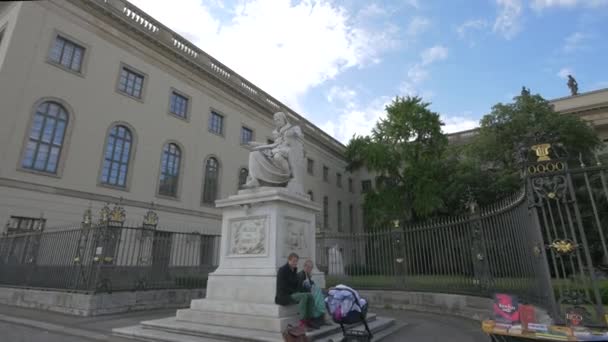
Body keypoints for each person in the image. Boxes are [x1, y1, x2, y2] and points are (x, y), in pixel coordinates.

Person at [243, 112, 305, 195]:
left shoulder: (293, 128)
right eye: (275, 121)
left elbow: (300, 138)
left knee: (277, 156)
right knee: (254, 154)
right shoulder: (276, 133)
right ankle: (254, 180)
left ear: (284, 120)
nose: (277, 122)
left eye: (278, 120)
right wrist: (256, 147)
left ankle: (287, 175)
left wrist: (294, 134)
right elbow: (272, 145)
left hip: (286, 154)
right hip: (275, 152)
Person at [275, 253, 319, 329]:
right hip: (284, 295)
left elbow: (296, 284)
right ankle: (302, 322)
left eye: (296, 261)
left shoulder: (294, 270)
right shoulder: (282, 270)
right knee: (304, 296)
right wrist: (295, 292)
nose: (295, 263)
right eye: (293, 261)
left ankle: (309, 320)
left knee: (310, 295)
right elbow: (283, 286)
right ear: (289, 260)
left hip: (293, 293)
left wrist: (300, 289)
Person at [298, 260, 327, 326]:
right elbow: (301, 288)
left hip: (309, 293)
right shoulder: (301, 275)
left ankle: (321, 318)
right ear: (304, 266)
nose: (310, 269)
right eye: (308, 267)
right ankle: (316, 318)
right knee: (318, 297)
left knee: (321, 295)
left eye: (311, 267)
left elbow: (313, 286)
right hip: (303, 294)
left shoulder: (307, 275)